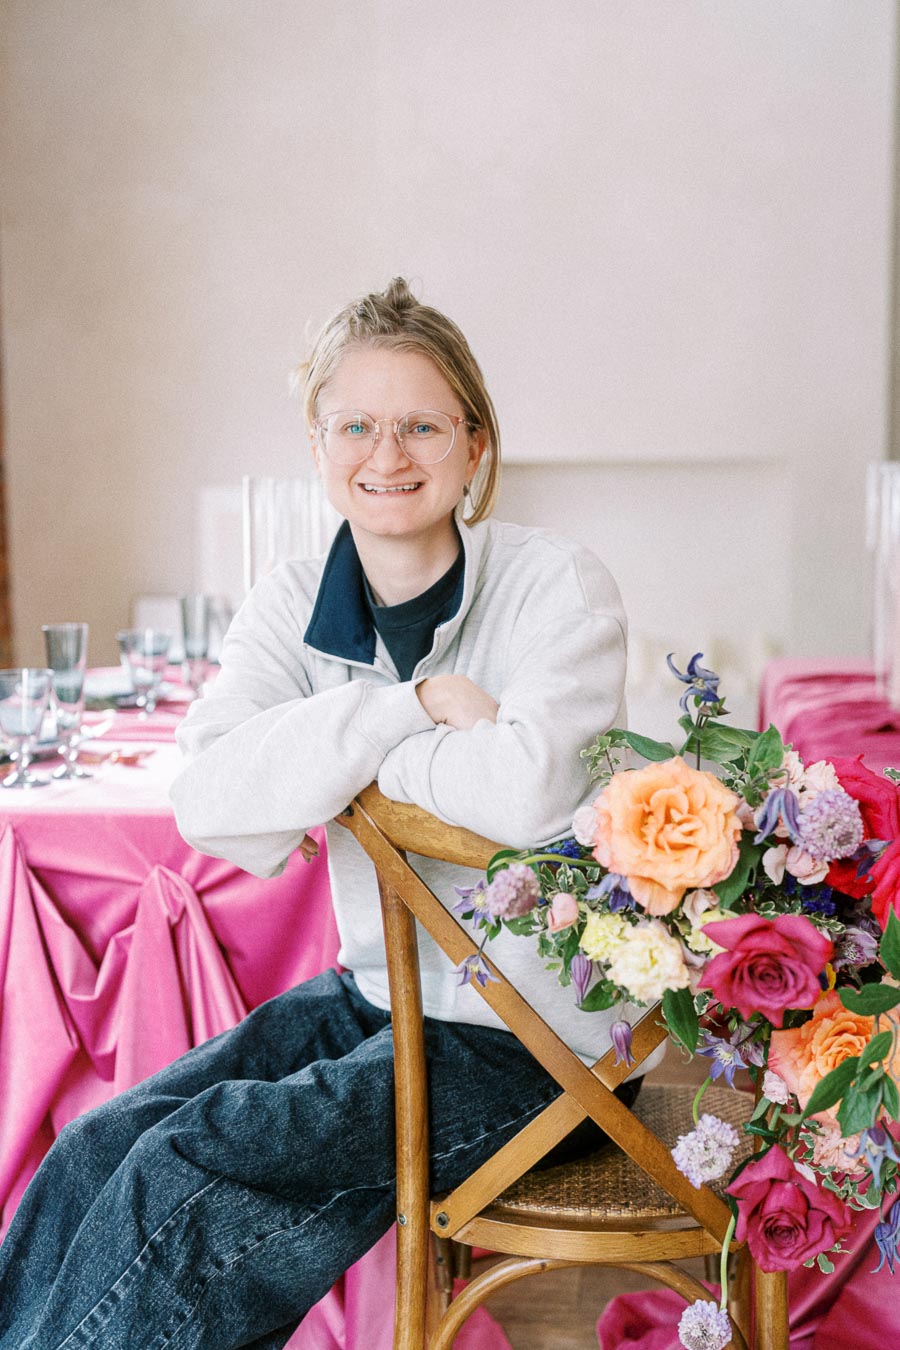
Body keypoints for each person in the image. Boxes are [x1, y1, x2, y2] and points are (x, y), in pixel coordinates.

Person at [0, 278, 638, 1350]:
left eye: (422, 424)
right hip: (373, 1000)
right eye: (358, 424)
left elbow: (526, 791)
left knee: (186, 1174)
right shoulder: (290, 599)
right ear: (318, 442)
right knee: (97, 1150)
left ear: (475, 445)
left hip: (530, 1042)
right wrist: (413, 708)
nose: (388, 452)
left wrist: (329, 762)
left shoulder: (555, 586)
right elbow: (212, 806)